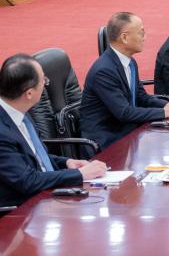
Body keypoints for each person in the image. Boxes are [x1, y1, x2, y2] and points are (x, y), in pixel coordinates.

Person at [0, 54, 108, 207]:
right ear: (29, 93)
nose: (45, 84)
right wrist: (79, 175)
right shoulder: (3, 131)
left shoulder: (19, 110)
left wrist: (67, 162)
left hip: (44, 193)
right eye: (44, 80)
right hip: (21, 209)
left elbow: (35, 156)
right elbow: (27, 181)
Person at [81, 13, 169, 149]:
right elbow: (124, 113)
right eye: (141, 33)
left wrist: (167, 105)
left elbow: (141, 97)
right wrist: (164, 113)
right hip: (107, 140)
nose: (145, 37)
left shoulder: (130, 62)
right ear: (124, 37)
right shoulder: (104, 71)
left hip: (127, 129)